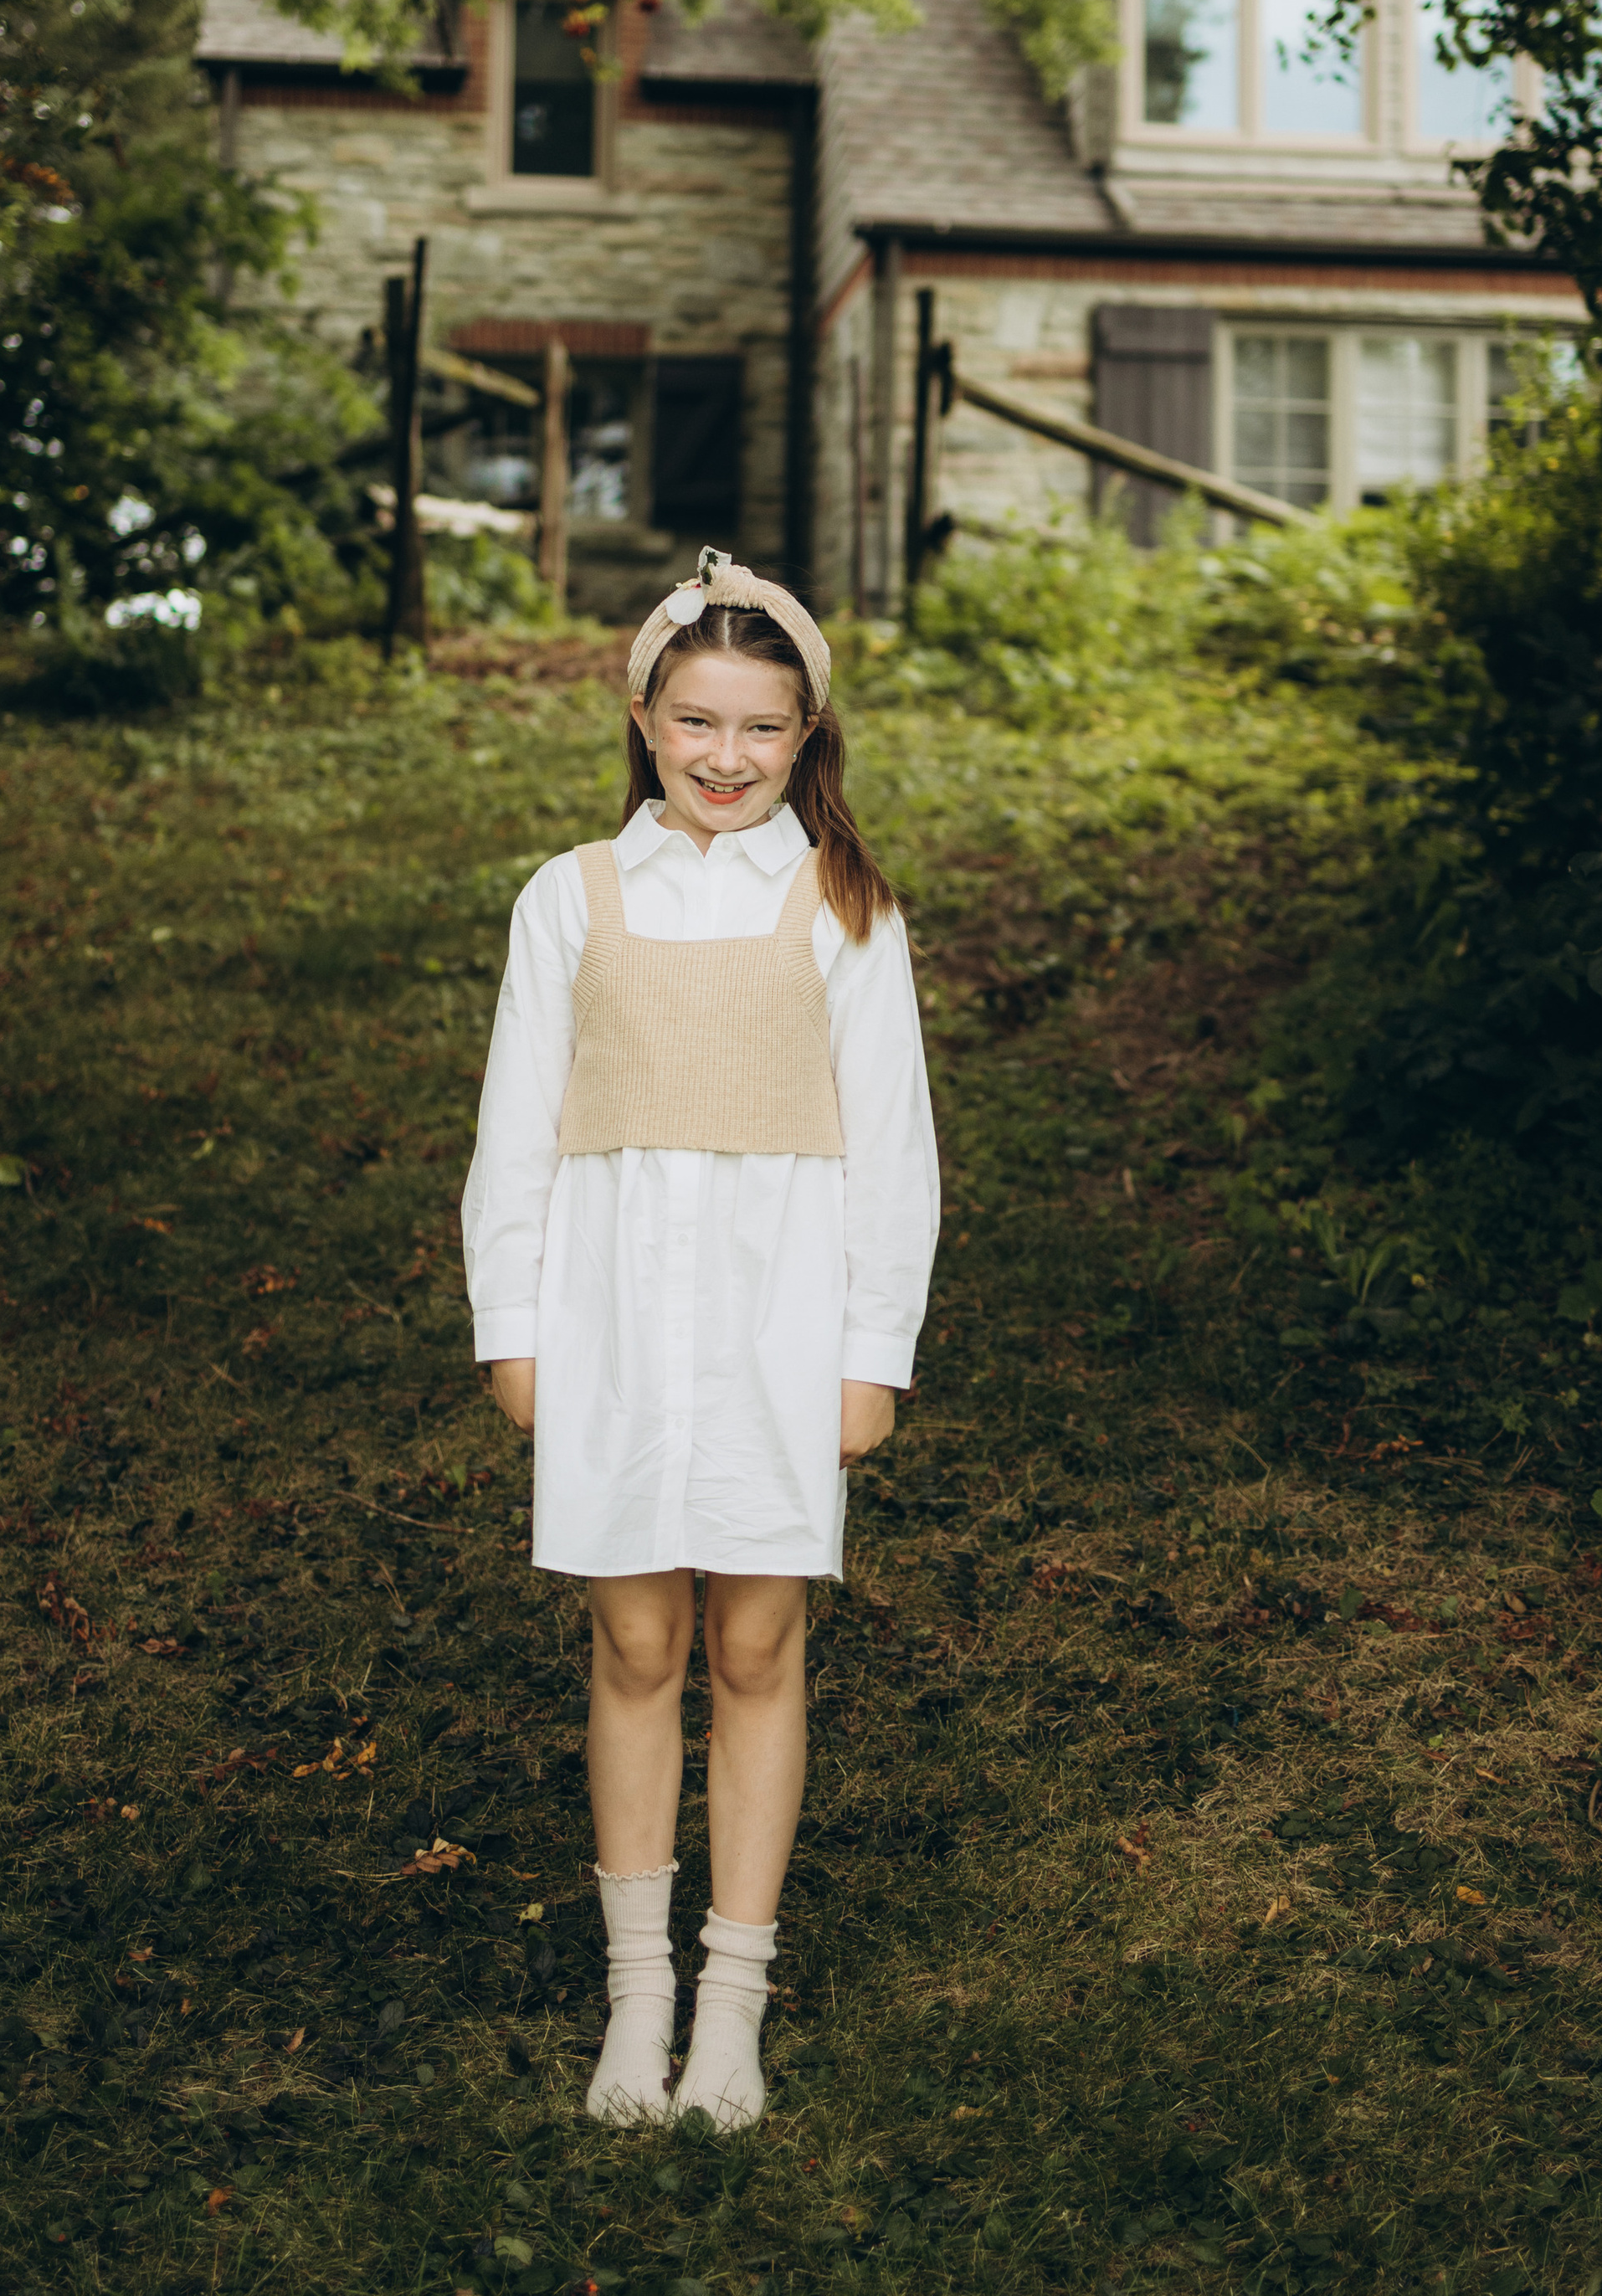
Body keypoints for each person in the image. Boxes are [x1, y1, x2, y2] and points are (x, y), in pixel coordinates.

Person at [460, 547, 940, 2133]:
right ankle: (637, 1988)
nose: (726, 757)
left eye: (763, 728)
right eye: (698, 722)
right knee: (638, 1645)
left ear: (807, 737)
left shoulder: (843, 908)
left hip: (773, 1330)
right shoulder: (571, 900)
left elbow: (896, 1146)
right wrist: (513, 1330)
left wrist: (871, 1351)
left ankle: (731, 1998)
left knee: (752, 1645)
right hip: (609, 1325)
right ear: (645, 719)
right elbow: (514, 1134)